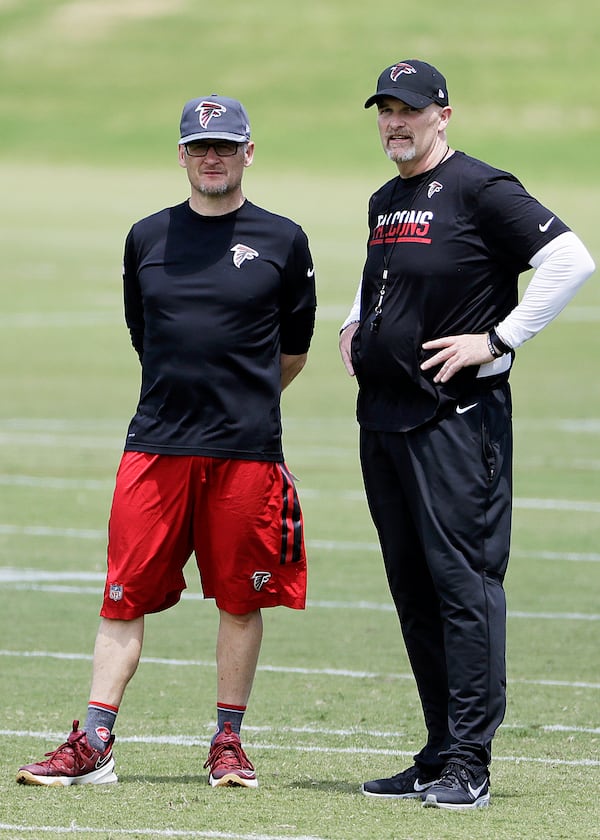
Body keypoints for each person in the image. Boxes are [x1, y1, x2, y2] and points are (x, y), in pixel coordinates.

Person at [17, 94, 316, 789]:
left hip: (246, 452)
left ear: (249, 152)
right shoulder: (146, 236)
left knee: (240, 599)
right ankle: (94, 741)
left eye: (225, 145)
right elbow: (142, 333)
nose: (212, 157)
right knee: (123, 595)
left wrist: (239, 403)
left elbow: (294, 351)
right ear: (181, 155)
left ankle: (228, 740)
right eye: (199, 146)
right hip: (155, 447)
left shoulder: (284, 239)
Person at [339, 60, 594, 810]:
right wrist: (354, 322)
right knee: (413, 591)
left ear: (443, 114)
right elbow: (383, 276)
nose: (395, 122)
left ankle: (470, 763)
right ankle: (437, 752)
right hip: (384, 420)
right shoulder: (387, 199)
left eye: (409, 110)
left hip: (455, 423)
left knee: (463, 588)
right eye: (385, 110)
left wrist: (500, 338)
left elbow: (570, 259)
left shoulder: (482, 189)